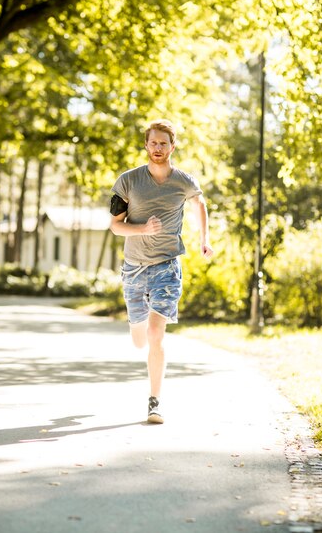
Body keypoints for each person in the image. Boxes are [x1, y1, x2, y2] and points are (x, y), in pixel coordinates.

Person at [110, 119, 213, 424]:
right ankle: (136, 328)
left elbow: (199, 204)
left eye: (163, 143)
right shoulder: (128, 181)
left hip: (167, 265)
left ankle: (155, 401)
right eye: (153, 143)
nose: (158, 148)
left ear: (173, 146)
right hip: (134, 267)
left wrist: (204, 239)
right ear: (146, 145)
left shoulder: (184, 181)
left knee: (156, 334)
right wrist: (142, 228)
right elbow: (116, 226)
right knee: (140, 339)